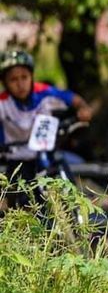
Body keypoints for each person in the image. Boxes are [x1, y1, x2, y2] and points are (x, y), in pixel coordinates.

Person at [0, 50, 93, 210]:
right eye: (13, 80)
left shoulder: (44, 92)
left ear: (31, 76)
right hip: (18, 163)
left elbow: (74, 99)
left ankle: (79, 221)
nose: (20, 84)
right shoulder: (3, 103)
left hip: (48, 156)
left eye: (24, 77)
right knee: (21, 207)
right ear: (5, 83)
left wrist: (83, 109)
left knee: (71, 192)